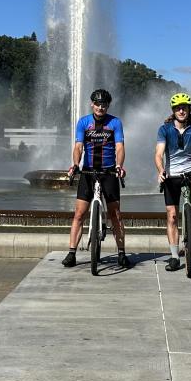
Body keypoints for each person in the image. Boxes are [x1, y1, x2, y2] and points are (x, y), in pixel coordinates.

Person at [63, 89, 128, 268]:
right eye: (98, 104)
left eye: (104, 104)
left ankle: (121, 252)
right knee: (79, 214)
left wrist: (119, 166)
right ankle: (71, 253)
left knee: (115, 214)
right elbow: (78, 147)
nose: (101, 107)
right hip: (88, 172)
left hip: (109, 172)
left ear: (108, 105)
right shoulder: (83, 122)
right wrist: (75, 165)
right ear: (92, 104)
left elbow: (120, 147)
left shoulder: (115, 122)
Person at [154, 92, 191, 271]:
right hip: (171, 174)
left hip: (190, 170)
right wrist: (161, 170)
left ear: (189, 109)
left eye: (184, 107)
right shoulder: (164, 129)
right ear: (173, 110)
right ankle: (174, 256)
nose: (181, 110)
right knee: (172, 216)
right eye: (178, 108)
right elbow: (158, 154)